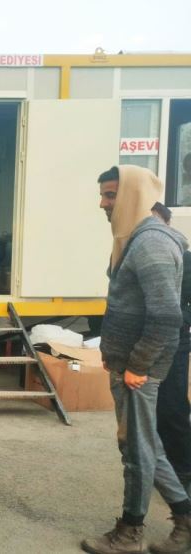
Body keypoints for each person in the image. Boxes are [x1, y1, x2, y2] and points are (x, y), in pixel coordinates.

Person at [82, 166, 191, 554]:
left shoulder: (151, 243)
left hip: (138, 371)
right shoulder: (135, 238)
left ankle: (130, 532)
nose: (103, 203)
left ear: (133, 195)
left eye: (111, 195)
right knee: (146, 447)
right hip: (130, 366)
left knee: (138, 452)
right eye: (103, 194)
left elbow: (165, 316)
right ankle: (185, 518)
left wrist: (138, 366)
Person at [150, 201, 191, 496]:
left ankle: (184, 472)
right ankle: (160, 469)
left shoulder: (184, 257)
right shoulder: (134, 249)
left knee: (172, 408)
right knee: (151, 412)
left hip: (174, 340)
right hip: (146, 340)